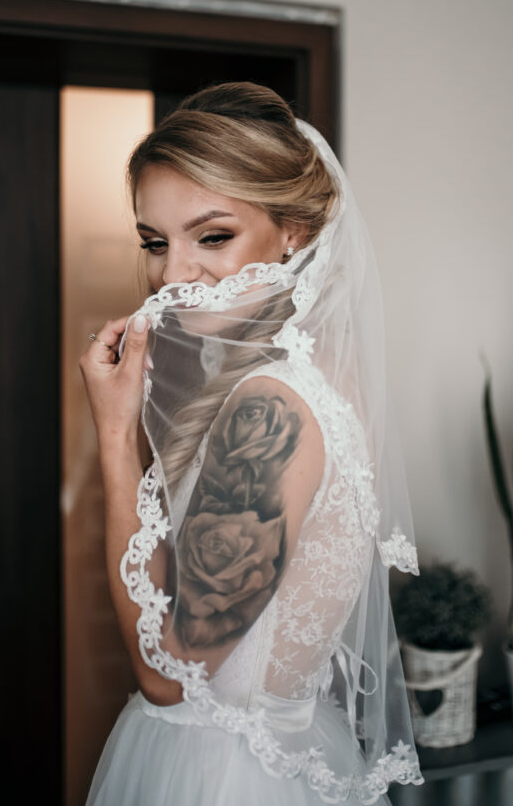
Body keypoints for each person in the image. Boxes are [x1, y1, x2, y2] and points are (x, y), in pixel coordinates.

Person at [80, 82, 424, 805]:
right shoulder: (317, 380)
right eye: (155, 242)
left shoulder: (271, 408)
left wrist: (113, 432)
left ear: (294, 230)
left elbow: (169, 678)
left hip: (221, 776)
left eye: (212, 236)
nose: (173, 273)